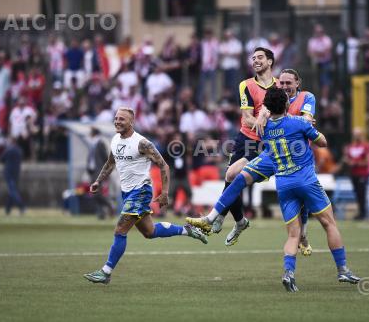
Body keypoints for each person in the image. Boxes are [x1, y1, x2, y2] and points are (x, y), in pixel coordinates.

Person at [186, 67, 316, 253]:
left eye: (288, 83)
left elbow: (307, 119)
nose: (285, 86)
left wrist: (284, 120)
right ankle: (215, 217)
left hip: (297, 155)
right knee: (234, 175)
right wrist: (270, 119)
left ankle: (303, 236)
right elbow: (264, 118)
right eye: (282, 83)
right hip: (271, 153)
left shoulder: (307, 97)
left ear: (297, 83)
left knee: (301, 198)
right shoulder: (274, 98)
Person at [83, 108, 208, 284]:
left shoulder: (142, 143)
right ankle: (188, 230)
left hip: (140, 191)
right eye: (116, 118)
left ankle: (106, 272)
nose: (117, 121)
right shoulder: (115, 140)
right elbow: (110, 163)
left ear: (131, 122)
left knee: (120, 230)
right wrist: (98, 181)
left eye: (122, 119)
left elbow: (164, 166)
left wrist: (165, 192)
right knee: (150, 232)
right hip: (127, 192)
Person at [262, 87, 360, 291]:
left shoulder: (265, 128)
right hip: (306, 180)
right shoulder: (299, 122)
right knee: (329, 223)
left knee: (293, 234)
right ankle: (342, 270)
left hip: (284, 184)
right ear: (287, 104)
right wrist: (310, 127)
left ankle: (289, 274)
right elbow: (322, 142)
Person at [187, 47, 277, 246]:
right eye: (253, 58)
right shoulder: (245, 85)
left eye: (260, 57)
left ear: (270, 61)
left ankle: (219, 215)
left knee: (231, 175)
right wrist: (262, 122)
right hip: (245, 138)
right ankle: (239, 221)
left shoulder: (279, 86)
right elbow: (246, 116)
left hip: (264, 143)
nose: (255, 60)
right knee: (230, 176)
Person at [86, 126, 114, 219]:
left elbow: (105, 158)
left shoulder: (100, 143)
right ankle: (102, 213)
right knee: (95, 193)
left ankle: (109, 205)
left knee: (96, 193)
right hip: (92, 171)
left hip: (98, 172)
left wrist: (106, 172)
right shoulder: (93, 143)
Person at [343, 127, 369, 220]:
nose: (356, 136)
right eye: (355, 134)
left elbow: (368, 161)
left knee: (362, 193)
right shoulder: (351, 146)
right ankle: (361, 212)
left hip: (362, 173)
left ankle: (363, 213)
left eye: (358, 134)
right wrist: (348, 161)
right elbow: (346, 158)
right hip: (353, 174)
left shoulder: (365, 146)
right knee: (357, 194)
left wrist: (356, 163)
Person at [0, 138, 25, 215]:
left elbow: (1, 159)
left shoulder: (8, 150)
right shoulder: (19, 150)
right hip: (16, 173)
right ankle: (8, 209)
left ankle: (21, 206)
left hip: (8, 172)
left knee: (12, 191)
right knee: (12, 191)